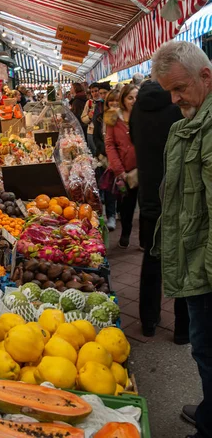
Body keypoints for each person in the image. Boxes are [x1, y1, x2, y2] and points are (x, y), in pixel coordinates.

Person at [151, 41, 212, 438]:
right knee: (204, 348)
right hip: (194, 256)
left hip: (207, 266)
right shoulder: (186, 125)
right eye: (169, 92)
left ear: (205, 76)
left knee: (207, 348)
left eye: (179, 89)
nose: (174, 100)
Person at [129, 80, 189, 340]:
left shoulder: (137, 110)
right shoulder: (176, 109)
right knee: (182, 260)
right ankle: (183, 330)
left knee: (152, 258)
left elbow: (134, 140)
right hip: (177, 193)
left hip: (149, 195)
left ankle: (148, 321)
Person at [105, 84, 138, 248]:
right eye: (130, 97)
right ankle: (125, 233)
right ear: (124, 99)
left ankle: (145, 240)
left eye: (136, 97)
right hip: (124, 170)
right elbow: (110, 145)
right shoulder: (112, 117)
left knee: (146, 206)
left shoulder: (143, 115)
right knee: (126, 206)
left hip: (143, 168)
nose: (134, 101)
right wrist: (119, 170)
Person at [94, 89, 119, 231]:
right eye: (111, 100)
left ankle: (119, 211)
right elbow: (96, 138)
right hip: (105, 158)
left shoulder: (126, 117)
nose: (114, 103)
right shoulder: (100, 117)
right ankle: (111, 215)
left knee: (122, 188)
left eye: (117, 100)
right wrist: (104, 150)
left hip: (121, 158)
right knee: (109, 187)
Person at [81, 82, 101, 154]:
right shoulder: (89, 102)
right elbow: (83, 118)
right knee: (93, 153)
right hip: (91, 132)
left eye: (96, 91)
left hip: (102, 132)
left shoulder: (104, 101)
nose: (94, 93)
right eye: (92, 92)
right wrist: (89, 117)